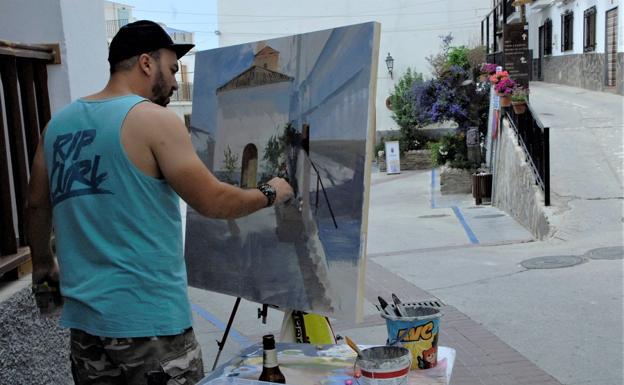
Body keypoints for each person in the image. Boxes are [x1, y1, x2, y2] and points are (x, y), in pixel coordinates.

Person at [25, 20, 293, 385]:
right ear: (146, 63)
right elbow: (212, 201)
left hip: (87, 330)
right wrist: (271, 192)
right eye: (170, 69)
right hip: (151, 327)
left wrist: (44, 266)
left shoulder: (56, 127)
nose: (173, 81)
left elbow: (36, 206)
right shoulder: (153, 120)